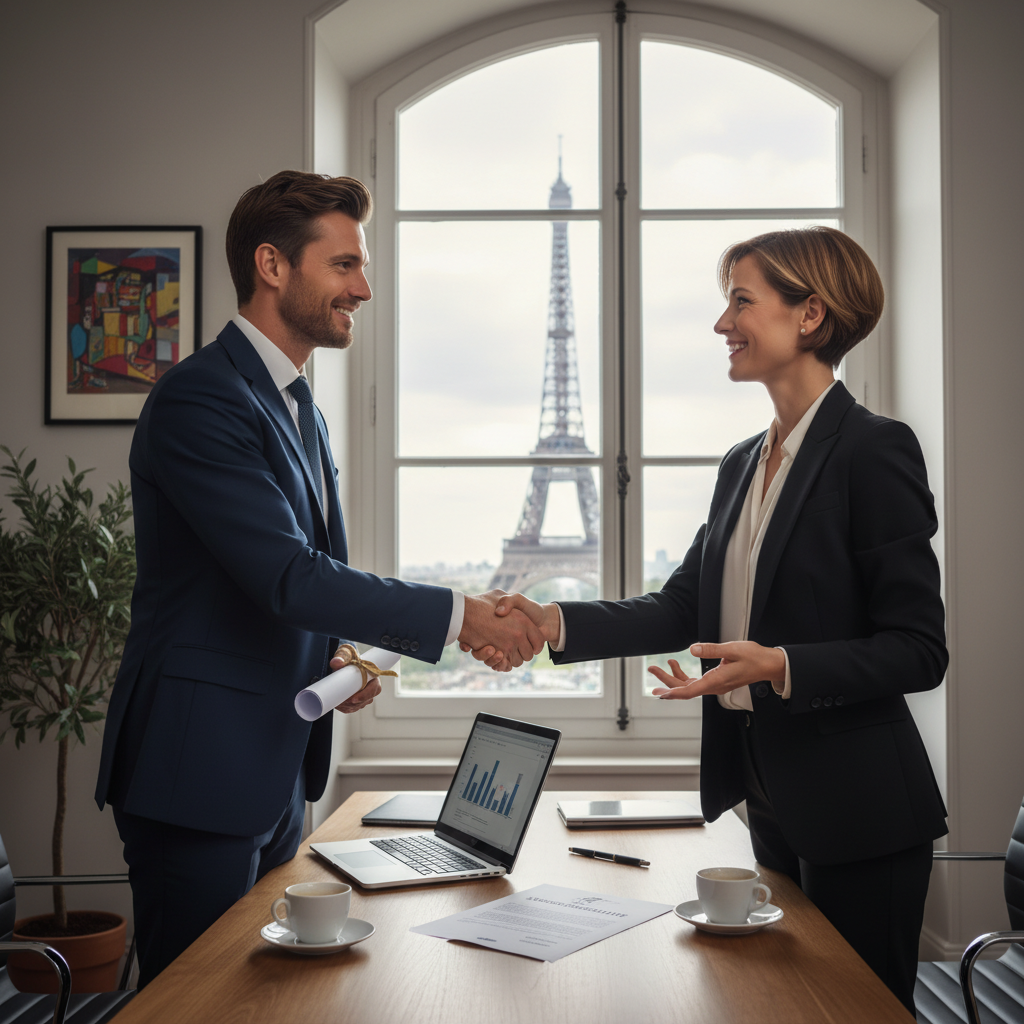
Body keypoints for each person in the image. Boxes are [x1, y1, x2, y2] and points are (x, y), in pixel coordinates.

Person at [483, 226, 947, 1016]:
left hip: (861, 807)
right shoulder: (742, 462)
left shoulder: (874, 450)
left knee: (855, 1008)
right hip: (767, 789)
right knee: (785, 1004)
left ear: (809, 316)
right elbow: (679, 607)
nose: (721, 323)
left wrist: (782, 666)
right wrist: (552, 618)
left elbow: (918, 650)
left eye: (741, 300)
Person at [94, 170, 542, 986]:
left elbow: (288, 584)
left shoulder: (299, 405)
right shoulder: (202, 397)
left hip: (273, 763)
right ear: (272, 266)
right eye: (343, 266)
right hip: (198, 773)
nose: (362, 289)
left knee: (262, 998)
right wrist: (463, 616)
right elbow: (288, 575)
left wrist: (335, 662)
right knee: (195, 1004)